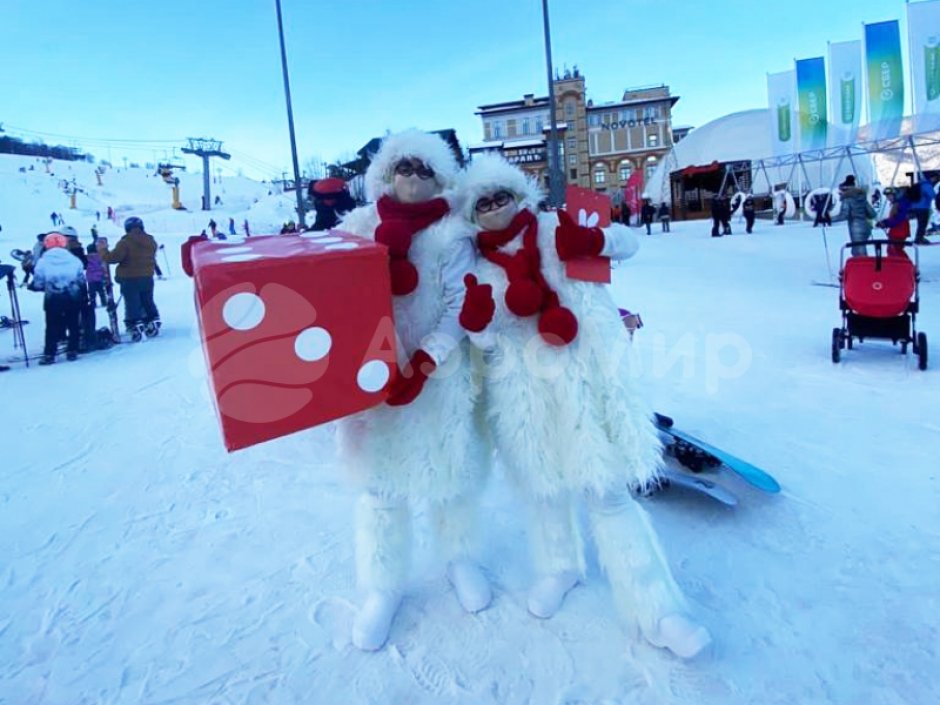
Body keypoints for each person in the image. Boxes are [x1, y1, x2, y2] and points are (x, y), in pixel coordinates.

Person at [456, 154, 711, 659]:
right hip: (526, 395)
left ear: (518, 195)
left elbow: (628, 243)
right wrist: (478, 326)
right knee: (545, 493)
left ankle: (658, 611)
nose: (494, 207)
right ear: (472, 213)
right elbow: (485, 346)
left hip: (585, 381)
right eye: (482, 203)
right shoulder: (478, 266)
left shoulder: (556, 226)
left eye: (501, 196)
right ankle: (560, 567)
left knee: (608, 494)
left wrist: (595, 240)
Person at [335, 130, 489, 652]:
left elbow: (460, 304)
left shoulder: (451, 234)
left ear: (440, 178)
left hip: (438, 373)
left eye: (426, 170)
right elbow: (318, 280)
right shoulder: (360, 226)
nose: (414, 178)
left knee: (450, 472)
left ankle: (460, 558)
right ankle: (383, 585)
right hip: (371, 374)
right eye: (405, 167)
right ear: (387, 173)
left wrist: (426, 360)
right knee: (380, 483)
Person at [96, 216, 161, 340]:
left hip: (129, 278)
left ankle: (134, 324)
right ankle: (152, 319)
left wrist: (102, 250)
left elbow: (112, 258)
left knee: (132, 303)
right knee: (147, 300)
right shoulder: (151, 241)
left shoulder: (125, 243)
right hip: (147, 276)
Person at [29, 233, 86, 364]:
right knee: (73, 324)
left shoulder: (43, 262)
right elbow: (81, 279)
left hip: (53, 298)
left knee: (52, 325)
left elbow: (38, 282)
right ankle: (72, 350)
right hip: (72, 296)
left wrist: (38, 286)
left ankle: (50, 354)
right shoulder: (74, 260)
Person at [831, 175, 876, 257]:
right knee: (858, 248)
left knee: (859, 251)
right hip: (866, 226)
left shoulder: (847, 200)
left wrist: (830, 219)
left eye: (840, 192)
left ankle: (862, 264)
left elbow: (844, 215)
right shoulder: (862, 198)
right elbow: (872, 213)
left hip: (855, 227)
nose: (840, 194)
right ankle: (862, 263)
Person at [877, 187, 912, 258]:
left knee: (894, 249)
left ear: (895, 195)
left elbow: (899, 218)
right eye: (887, 196)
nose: (888, 198)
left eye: (890, 196)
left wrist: (886, 223)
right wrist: (884, 222)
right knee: (893, 249)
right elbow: (894, 218)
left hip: (900, 230)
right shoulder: (897, 203)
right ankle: (898, 263)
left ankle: (903, 263)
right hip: (896, 230)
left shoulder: (902, 203)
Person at [909, 174, 936, 244]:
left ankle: (919, 237)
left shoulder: (918, 185)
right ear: (931, 178)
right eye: (934, 178)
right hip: (923, 207)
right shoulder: (927, 185)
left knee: (920, 223)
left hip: (915, 207)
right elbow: (932, 195)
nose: (934, 180)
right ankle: (919, 239)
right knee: (923, 224)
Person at [85, 242, 107, 307]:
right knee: (101, 291)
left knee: (92, 293)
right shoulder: (99, 257)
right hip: (99, 277)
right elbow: (103, 266)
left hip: (90, 279)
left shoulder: (87, 258)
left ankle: (93, 303)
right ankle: (104, 302)